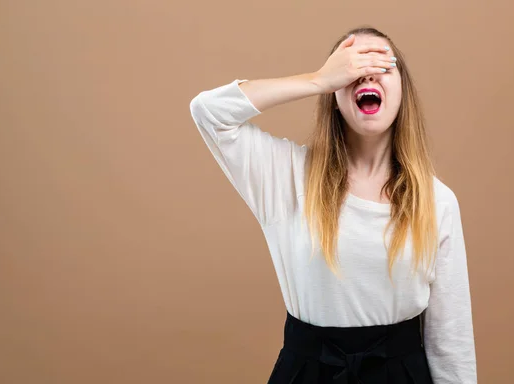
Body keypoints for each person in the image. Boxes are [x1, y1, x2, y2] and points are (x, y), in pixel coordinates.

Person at [189, 27, 476, 384]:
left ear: (403, 92)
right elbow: (208, 112)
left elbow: (451, 343)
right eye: (353, 65)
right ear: (334, 94)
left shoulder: (436, 201)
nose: (366, 73)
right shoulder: (287, 178)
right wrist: (318, 79)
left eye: (383, 64)